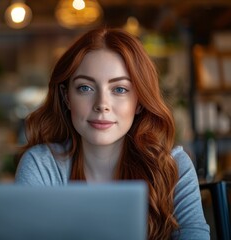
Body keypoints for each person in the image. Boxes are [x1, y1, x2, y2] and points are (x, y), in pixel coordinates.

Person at [14, 27, 210, 239]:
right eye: (85, 88)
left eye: (119, 89)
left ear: (139, 102)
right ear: (66, 97)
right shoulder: (42, 166)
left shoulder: (173, 167)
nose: (102, 105)